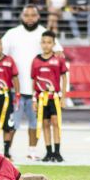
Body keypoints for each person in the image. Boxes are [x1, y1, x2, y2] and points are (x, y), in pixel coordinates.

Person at [1, 5, 62, 161]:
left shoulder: (44, 33)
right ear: (22, 16)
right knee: (11, 123)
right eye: (26, 15)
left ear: (38, 16)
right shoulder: (12, 34)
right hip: (17, 89)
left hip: (38, 91)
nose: (29, 18)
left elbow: (60, 52)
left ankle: (32, 151)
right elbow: (0, 54)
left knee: (35, 124)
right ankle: (6, 152)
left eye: (32, 15)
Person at [31, 30, 69, 163]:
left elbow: (64, 78)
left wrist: (63, 97)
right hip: (41, 98)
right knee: (45, 124)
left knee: (55, 123)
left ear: (53, 44)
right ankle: (48, 152)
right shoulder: (36, 60)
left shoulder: (58, 59)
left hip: (54, 97)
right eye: (44, 42)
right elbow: (34, 81)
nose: (46, 45)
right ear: (40, 43)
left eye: (49, 42)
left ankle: (57, 152)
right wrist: (34, 99)